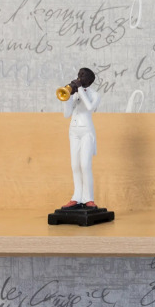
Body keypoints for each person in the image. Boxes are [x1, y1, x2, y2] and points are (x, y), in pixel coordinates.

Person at [61, 67, 101, 209]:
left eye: (82, 76)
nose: (79, 77)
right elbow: (67, 114)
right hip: (74, 132)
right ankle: (76, 197)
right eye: (79, 74)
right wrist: (67, 98)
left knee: (85, 165)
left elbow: (90, 108)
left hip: (86, 132)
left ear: (89, 80)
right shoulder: (76, 93)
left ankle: (88, 198)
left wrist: (80, 90)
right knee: (75, 165)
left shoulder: (94, 94)